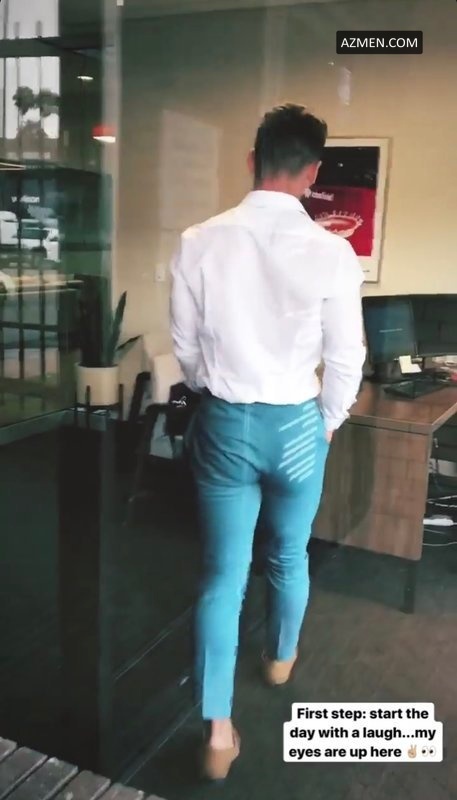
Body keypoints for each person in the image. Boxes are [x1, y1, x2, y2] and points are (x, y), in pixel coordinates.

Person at [170, 103, 366, 781]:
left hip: (226, 422)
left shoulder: (198, 240)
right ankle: (280, 659)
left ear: (252, 160)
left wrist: (216, 388)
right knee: (287, 554)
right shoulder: (332, 252)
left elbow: (186, 351)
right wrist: (328, 419)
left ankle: (217, 733)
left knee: (222, 574)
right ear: (312, 173)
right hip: (298, 427)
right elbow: (346, 358)